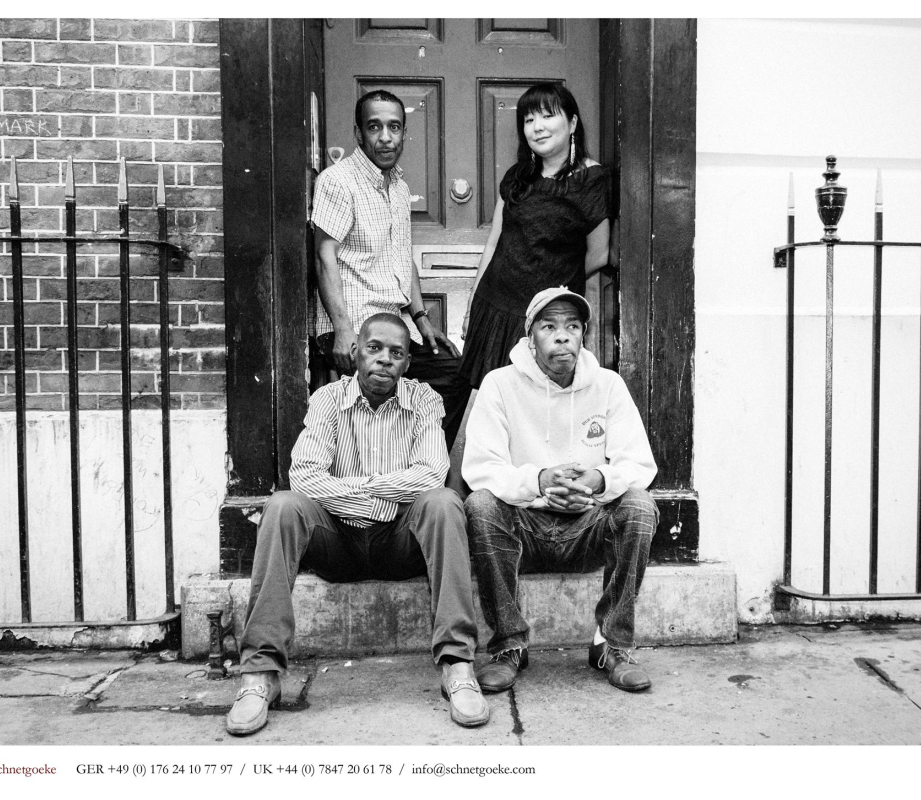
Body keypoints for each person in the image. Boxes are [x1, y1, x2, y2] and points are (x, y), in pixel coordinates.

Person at [226, 313, 489, 735]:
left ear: (407, 363)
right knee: (283, 506)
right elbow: (305, 476)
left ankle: (457, 664)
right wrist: (380, 494)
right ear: (356, 352)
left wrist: (356, 489)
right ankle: (260, 672)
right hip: (339, 542)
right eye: (374, 348)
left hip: (399, 542)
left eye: (396, 353)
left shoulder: (424, 400)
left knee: (444, 503)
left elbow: (431, 475)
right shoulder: (328, 399)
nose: (384, 359)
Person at [462, 287, 659, 694]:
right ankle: (509, 645)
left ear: (584, 334)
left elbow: (639, 464)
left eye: (572, 326)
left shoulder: (608, 385)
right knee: (480, 504)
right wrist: (540, 480)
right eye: (549, 327)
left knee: (640, 505)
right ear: (530, 337)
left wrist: (597, 480)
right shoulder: (499, 384)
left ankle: (611, 645)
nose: (562, 336)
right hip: (525, 529)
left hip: (587, 527)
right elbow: (480, 468)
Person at [311, 89, 470, 447]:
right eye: (374, 127)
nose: (385, 137)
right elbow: (324, 255)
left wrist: (422, 320)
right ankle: (384, 466)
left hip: (396, 324)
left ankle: (420, 461)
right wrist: (342, 330)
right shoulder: (338, 181)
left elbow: (402, 257)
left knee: (456, 371)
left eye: (394, 127)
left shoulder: (399, 187)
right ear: (358, 133)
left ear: (403, 133)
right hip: (354, 324)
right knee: (378, 394)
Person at [458, 82, 611, 391]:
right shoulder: (518, 177)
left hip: (547, 317)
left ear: (572, 123)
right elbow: (495, 242)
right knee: (490, 400)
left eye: (547, 116)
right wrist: (473, 302)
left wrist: (549, 281)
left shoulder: (591, 179)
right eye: (529, 120)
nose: (537, 127)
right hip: (494, 308)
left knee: (543, 403)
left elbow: (599, 254)